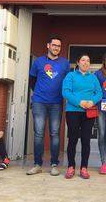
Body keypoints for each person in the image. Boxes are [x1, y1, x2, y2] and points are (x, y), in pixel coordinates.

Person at [27, 36, 70, 176]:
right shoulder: (38, 61)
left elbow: (68, 82)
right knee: (39, 133)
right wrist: (40, 92)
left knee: (55, 133)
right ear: (48, 45)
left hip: (56, 103)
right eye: (54, 45)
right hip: (39, 101)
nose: (56, 47)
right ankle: (38, 164)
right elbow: (32, 80)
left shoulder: (65, 63)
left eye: (59, 46)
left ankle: (54, 164)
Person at [62, 54, 102, 179]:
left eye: (88, 61)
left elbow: (99, 92)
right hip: (73, 111)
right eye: (83, 60)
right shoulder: (71, 75)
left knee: (86, 140)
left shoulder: (93, 77)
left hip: (89, 112)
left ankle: (84, 167)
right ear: (78, 63)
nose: (85, 63)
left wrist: (92, 101)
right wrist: (80, 102)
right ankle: (71, 167)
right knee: (73, 139)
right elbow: (66, 92)